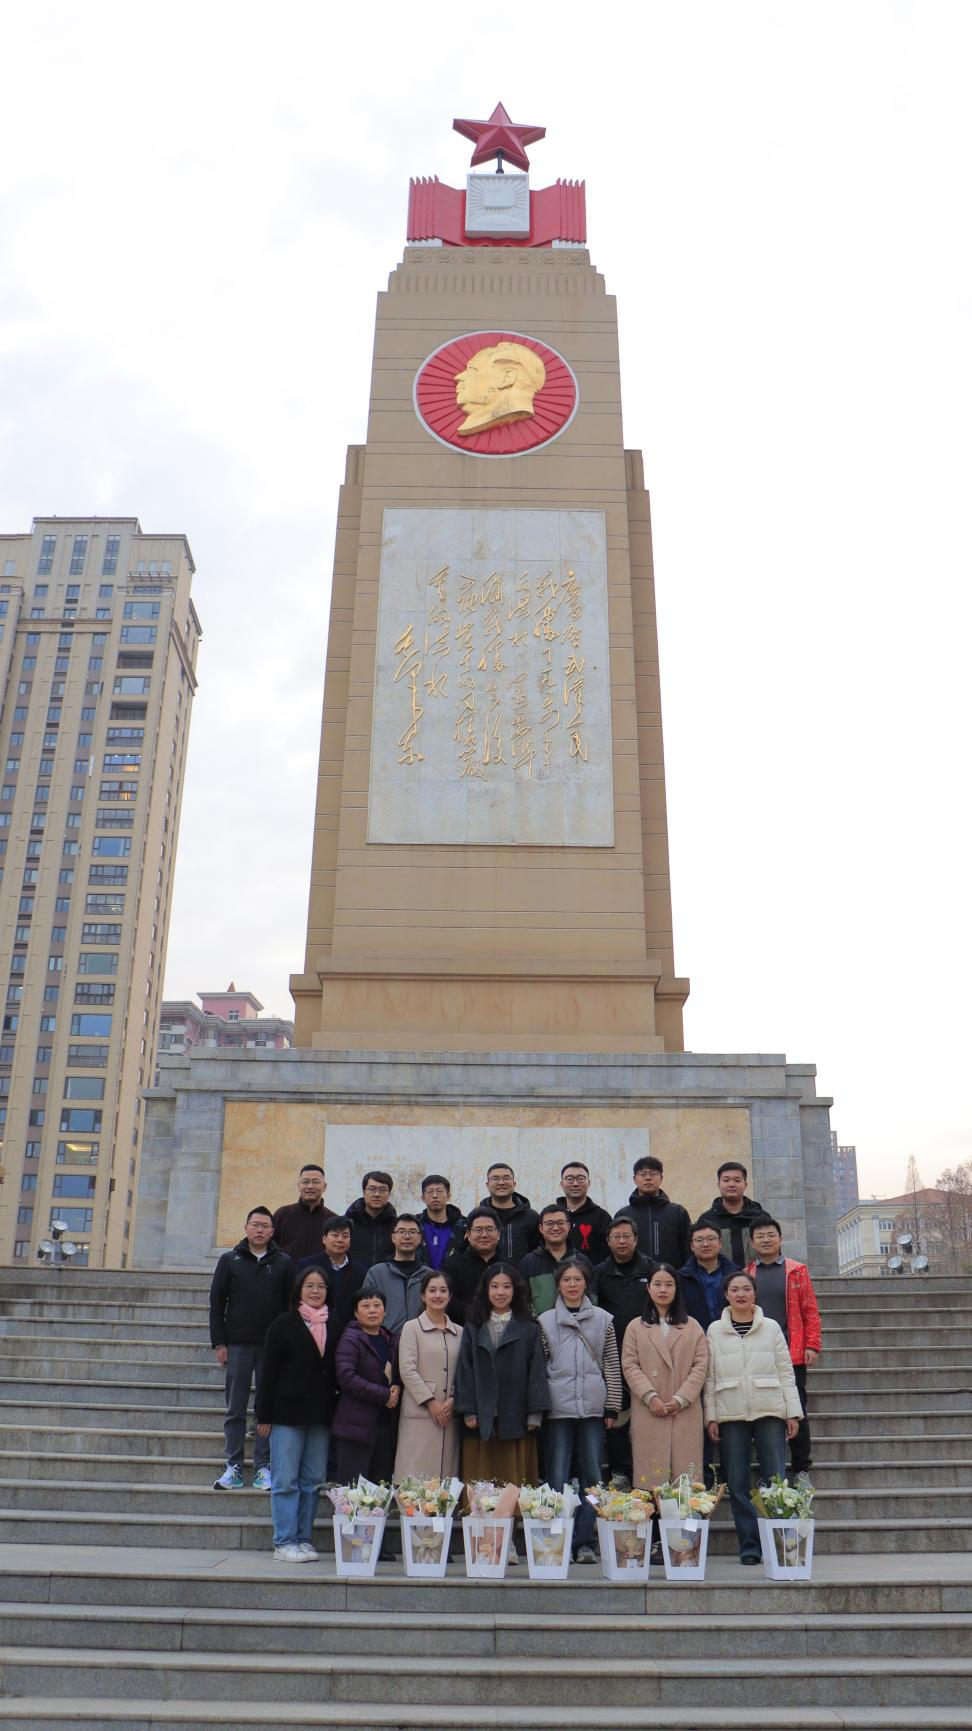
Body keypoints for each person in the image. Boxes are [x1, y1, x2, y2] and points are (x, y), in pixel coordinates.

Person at [704, 1271, 802, 1564]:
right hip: (730, 1412)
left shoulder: (770, 1327)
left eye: (746, 1288)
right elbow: (710, 1377)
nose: (741, 1294)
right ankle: (749, 1545)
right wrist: (711, 1416)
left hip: (769, 1408)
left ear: (754, 1293)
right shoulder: (714, 1330)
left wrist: (793, 1412)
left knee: (776, 1479)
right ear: (726, 1295)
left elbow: (785, 1371)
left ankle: (780, 1542)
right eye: (734, 1289)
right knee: (737, 1481)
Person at [538, 1258, 623, 1563]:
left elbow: (611, 1363)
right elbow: (541, 1366)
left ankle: (585, 1541)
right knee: (556, 1476)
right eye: (566, 1280)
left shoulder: (603, 1319)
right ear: (558, 1285)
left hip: (592, 1408)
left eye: (577, 1279)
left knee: (592, 1477)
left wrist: (612, 1405)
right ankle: (556, 1539)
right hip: (557, 1409)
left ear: (586, 1283)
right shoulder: (545, 1321)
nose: (572, 1285)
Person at [255, 1265, 338, 1562]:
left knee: (313, 1480)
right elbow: (267, 1372)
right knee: (286, 1479)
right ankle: (284, 1541)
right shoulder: (283, 1323)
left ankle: (303, 1538)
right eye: (309, 1286)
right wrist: (263, 1415)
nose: (315, 1291)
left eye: (321, 1286)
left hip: (320, 1415)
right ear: (299, 1290)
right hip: (286, 1413)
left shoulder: (335, 1323)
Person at [208, 1206, 293, 1491]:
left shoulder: (284, 1263)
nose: (260, 1230)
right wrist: (219, 1343)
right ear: (246, 1228)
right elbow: (217, 1305)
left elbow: (291, 1307)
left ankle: (262, 1467)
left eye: (265, 1226)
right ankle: (233, 1466)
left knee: (265, 1409)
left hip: (271, 1348)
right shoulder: (229, 1260)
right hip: (238, 1345)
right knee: (235, 1408)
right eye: (255, 1225)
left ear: (272, 1231)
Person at [454, 1262, 549, 1487]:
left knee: (513, 1480)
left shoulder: (529, 1327)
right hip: (482, 1414)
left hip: (516, 1413)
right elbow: (465, 1369)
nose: (500, 1292)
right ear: (486, 1290)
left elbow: (537, 1371)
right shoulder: (474, 1325)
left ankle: (513, 1511)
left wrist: (535, 1413)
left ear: (515, 1290)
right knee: (481, 1479)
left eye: (506, 1286)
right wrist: (468, 1410)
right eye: (494, 1286)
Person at [746, 1214, 822, 1478]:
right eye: (760, 1236)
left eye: (771, 1235)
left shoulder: (796, 1270)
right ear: (752, 1242)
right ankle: (767, 1468)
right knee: (762, 1411)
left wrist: (812, 1345)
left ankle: (801, 1468)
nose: (766, 1240)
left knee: (796, 1409)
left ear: (780, 1239)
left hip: (793, 1352)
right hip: (758, 1355)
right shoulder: (746, 1274)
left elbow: (810, 1310)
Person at [621, 1264, 707, 1495]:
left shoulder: (692, 1326)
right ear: (648, 1288)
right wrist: (650, 1397)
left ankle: (683, 1519)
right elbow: (630, 1365)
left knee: (685, 1486)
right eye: (657, 1284)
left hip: (684, 1410)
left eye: (669, 1284)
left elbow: (700, 1366)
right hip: (649, 1409)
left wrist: (681, 1399)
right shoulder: (635, 1327)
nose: (663, 1290)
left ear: (677, 1289)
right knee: (651, 1482)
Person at [591, 1215, 654, 1481]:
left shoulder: (652, 1269)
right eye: (616, 1237)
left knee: (649, 1412)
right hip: (613, 1354)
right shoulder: (598, 1273)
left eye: (626, 1236)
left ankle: (651, 1471)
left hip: (649, 1354)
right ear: (608, 1241)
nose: (621, 1241)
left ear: (636, 1239)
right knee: (618, 1413)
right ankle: (620, 1472)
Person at [394, 1268, 463, 1480]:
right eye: (432, 1290)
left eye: (443, 1290)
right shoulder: (411, 1328)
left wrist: (454, 1399)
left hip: (449, 1413)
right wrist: (431, 1402)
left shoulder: (460, 1332)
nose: (438, 1295)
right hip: (420, 1412)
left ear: (450, 1296)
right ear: (423, 1295)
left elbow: (465, 1372)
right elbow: (407, 1370)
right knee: (415, 1477)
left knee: (445, 1478)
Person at [332, 1290, 401, 1483]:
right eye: (365, 1306)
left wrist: (397, 1386)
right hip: (355, 1427)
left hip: (385, 1424)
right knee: (353, 1489)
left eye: (377, 1305)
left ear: (385, 1312)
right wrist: (384, 1395)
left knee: (380, 1487)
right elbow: (347, 1378)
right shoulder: (351, 1339)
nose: (372, 1310)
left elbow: (397, 1372)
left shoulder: (390, 1339)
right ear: (356, 1312)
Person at [295, 1216, 367, 1335]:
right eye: (335, 1235)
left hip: (349, 1333)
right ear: (324, 1239)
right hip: (311, 1330)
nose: (340, 1240)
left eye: (345, 1236)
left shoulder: (360, 1271)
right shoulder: (306, 1265)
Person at [363, 1214, 427, 1334]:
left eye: (412, 1232)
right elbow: (366, 1311)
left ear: (420, 1238)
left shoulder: (429, 1275)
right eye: (401, 1231)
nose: (407, 1236)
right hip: (386, 1340)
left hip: (423, 1339)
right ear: (393, 1237)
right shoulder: (376, 1274)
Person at [624, 1156, 692, 1268]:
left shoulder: (678, 1213)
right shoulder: (624, 1215)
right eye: (642, 1174)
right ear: (635, 1179)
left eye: (653, 1174)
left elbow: (689, 1250)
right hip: (634, 1276)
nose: (648, 1178)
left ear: (661, 1178)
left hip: (671, 1276)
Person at [678, 1219, 740, 1333]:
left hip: (732, 1335)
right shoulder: (681, 1278)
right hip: (695, 1337)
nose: (706, 1244)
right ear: (692, 1246)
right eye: (699, 1240)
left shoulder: (736, 1275)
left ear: (720, 1243)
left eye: (711, 1239)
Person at [270, 1163, 337, 1264]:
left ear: (324, 1187)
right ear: (298, 1186)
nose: (310, 1186)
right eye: (305, 1182)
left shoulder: (333, 1220)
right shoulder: (282, 1215)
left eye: (316, 1182)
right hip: (286, 1273)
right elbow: (269, 1247)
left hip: (320, 1273)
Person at [447, 1208, 503, 1321]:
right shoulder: (452, 1265)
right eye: (478, 1230)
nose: (484, 1235)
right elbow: (446, 1299)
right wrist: (475, 1314)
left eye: (490, 1229)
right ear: (468, 1234)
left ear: (498, 1234)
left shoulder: (509, 1266)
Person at [519, 1203, 575, 1316]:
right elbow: (521, 1301)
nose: (555, 1228)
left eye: (560, 1223)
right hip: (537, 1326)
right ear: (541, 1228)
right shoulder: (528, 1263)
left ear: (568, 1226)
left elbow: (591, 1300)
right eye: (549, 1224)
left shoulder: (581, 1262)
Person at [707, 1161, 765, 1266]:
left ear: (745, 1185)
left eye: (737, 1180)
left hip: (756, 1275)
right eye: (726, 1180)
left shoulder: (760, 1217)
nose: (731, 1184)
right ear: (719, 1184)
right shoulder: (707, 1220)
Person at [478, 1163, 539, 1263]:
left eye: (506, 1178)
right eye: (495, 1178)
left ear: (514, 1184)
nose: (501, 1182)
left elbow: (539, 1252)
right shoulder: (478, 1217)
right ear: (487, 1185)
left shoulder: (531, 1217)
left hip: (522, 1272)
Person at [556, 1162, 613, 1266]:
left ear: (589, 1183)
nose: (575, 1184)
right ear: (562, 1184)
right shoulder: (552, 1216)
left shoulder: (602, 1218)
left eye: (580, 1178)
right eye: (569, 1179)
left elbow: (608, 1258)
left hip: (591, 1275)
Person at [345, 1171, 398, 1268]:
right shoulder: (347, 1223)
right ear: (364, 1192)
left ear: (389, 1193)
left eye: (383, 1190)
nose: (377, 1194)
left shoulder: (396, 1226)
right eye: (372, 1189)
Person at [417, 1175, 466, 1270]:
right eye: (430, 1191)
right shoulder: (415, 1224)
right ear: (423, 1198)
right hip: (421, 1278)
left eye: (439, 1191)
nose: (435, 1196)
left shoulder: (464, 1226)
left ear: (448, 1196)